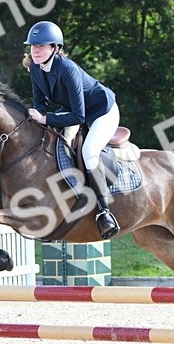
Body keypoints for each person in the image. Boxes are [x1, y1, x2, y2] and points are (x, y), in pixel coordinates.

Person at [23, 20, 122, 239]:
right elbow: (39, 102)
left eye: (41, 46)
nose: (35, 50)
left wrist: (45, 117)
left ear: (55, 48)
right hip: (74, 112)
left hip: (101, 112)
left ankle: (104, 212)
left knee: (88, 152)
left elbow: (79, 116)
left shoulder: (67, 69)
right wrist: (36, 115)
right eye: (33, 46)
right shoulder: (35, 68)